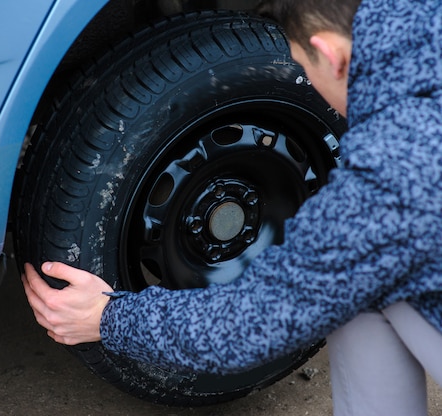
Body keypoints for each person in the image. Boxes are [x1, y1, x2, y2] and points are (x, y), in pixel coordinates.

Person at [23, 0, 442, 414]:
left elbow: (256, 320)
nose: (314, 90)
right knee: (358, 282)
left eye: (305, 70)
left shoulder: (395, 170)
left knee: (352, 290)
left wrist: (108, 317)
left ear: (333, 57)